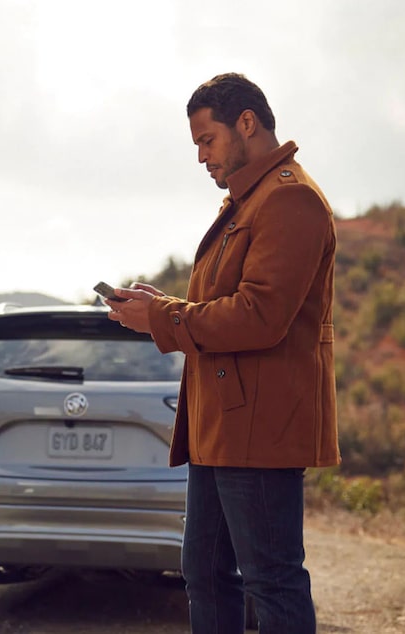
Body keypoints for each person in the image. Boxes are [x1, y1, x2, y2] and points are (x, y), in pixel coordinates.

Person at [105, 72, 339, 633]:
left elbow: (259, 317)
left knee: (272, 579)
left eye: (207, 141)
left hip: (259, 428)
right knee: (205, 573)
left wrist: (163, 317)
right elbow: (224, 303)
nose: (202, 157)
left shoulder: (289, 199)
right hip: (223, 424)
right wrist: (163, 304)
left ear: (247, 124)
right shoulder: (250, 200)